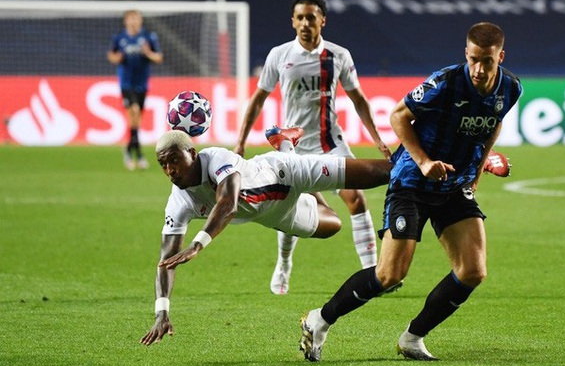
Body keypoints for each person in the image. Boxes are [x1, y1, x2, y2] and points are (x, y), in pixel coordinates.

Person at [299, 22, 523, 362]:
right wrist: (423, 161)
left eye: (487, 61)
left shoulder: (511, 88)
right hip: (412, 182)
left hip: (453, 185)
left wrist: (476, 171)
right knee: (390, 274)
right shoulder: (447, 82)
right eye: (474, 59)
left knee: (473, 271)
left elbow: (494, 123)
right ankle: (320, 319)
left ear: (500, 57)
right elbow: (399, 116)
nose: (479, 69)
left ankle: (413, 338)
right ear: (466, 54)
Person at [140, 129, 391, 346]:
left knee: (381, 173)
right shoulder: (178, 202)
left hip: (284, 170)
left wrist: (197, 245)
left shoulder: (218, 158)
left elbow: (228, 203)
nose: (170, 170)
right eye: (163, 165)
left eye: (174, 160)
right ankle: (288, 146)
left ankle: (417, 166)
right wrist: (161, 312)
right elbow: (166, 260)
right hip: (275, 215)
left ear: (192, 154)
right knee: (333, 224)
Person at [234, 0, 391, 295]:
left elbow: (358, 98)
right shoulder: (279, 55)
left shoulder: (339, 55)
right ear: (292, 21)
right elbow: (257, 100)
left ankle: (373, 274)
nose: (305, 23)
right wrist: (240, 143)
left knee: (356, 199)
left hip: (330, 144)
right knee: (288, 208)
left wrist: (378, 140)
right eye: (300, 17)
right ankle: (283, 264)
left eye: (311, 17)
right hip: (292, 147)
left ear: (323, 20)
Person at [107, 9, 163, 171]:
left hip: (142, 84)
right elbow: (111, 56)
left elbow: (159, 57)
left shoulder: (148, 37)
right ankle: (138, 154)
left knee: (136, 120)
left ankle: (129, 149)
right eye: (130, 19)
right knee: (135, 110)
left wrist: (148, 53)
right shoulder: (119, 38)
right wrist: (118, 57)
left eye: (136, 18)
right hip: (126, 83)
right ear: (125, 21)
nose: (133, 21)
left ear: (140, 21)